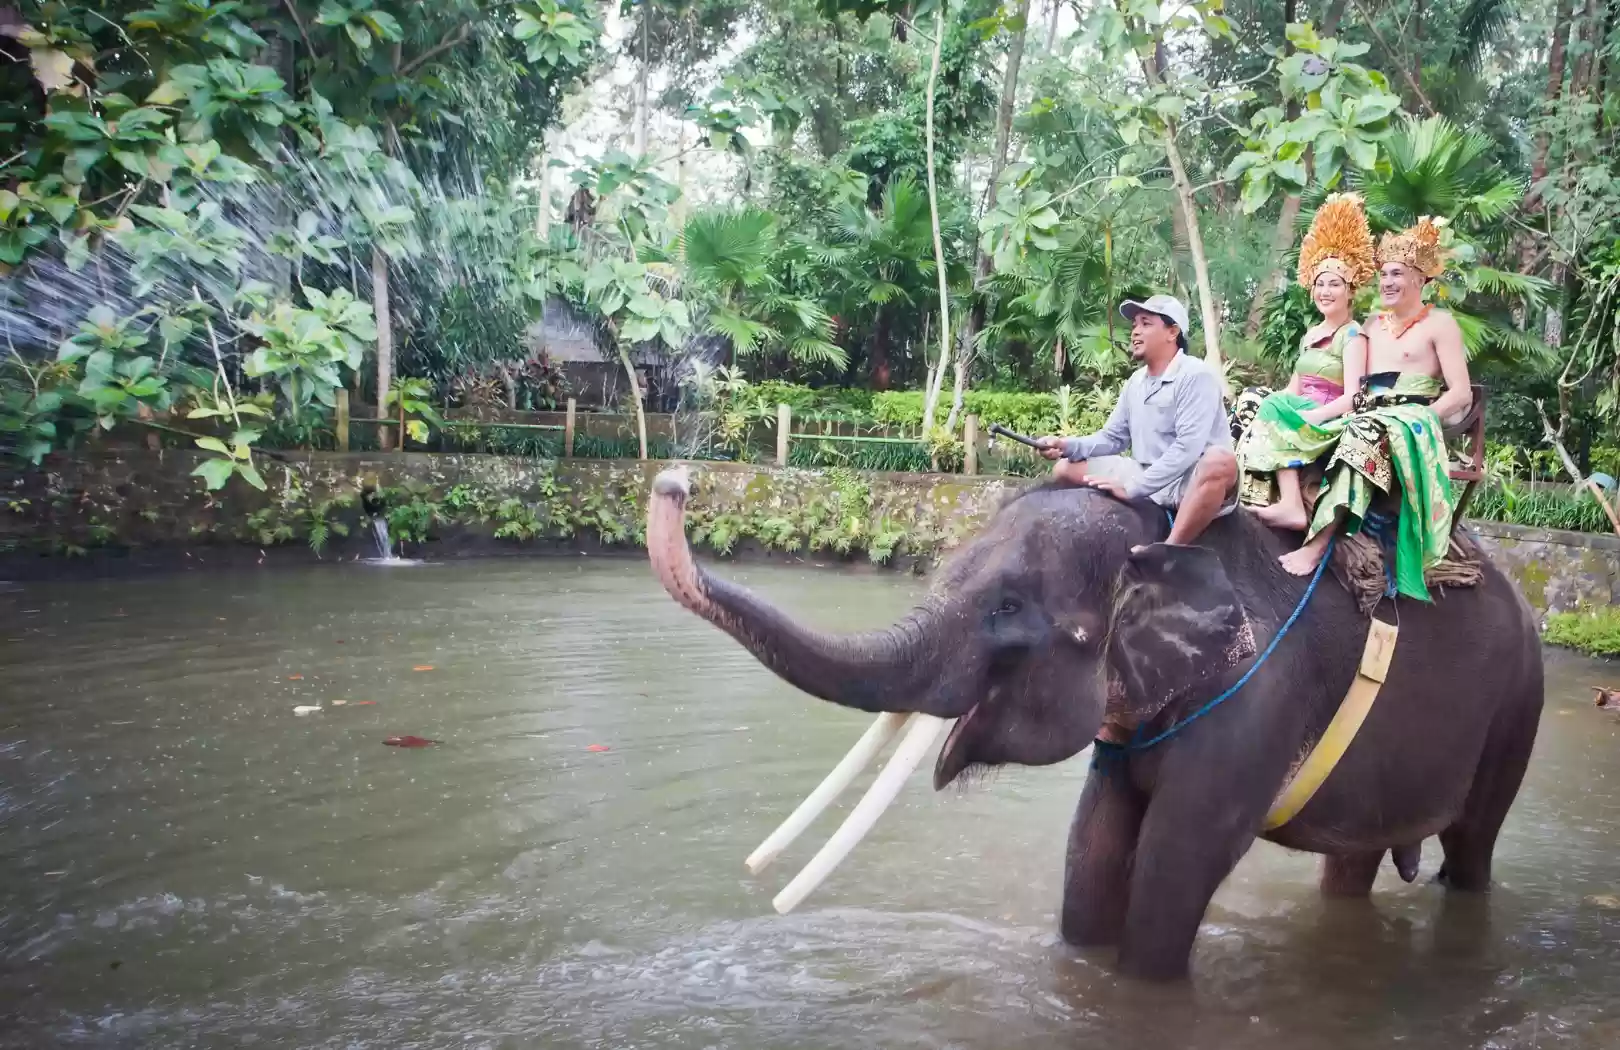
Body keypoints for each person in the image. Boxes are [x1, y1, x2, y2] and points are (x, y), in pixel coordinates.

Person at [1277, 217, 1471, 599]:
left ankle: (1317, 546)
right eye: (1383, 274)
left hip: (1412, 419)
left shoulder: (1440, 323)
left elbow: (1461, 393)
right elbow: (1345, 377)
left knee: (1362, 432)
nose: (1387, 282)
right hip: (1367, 412)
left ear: (1420, 278)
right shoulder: (1370, 324)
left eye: (1397, 273)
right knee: (1285, 419)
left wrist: (1419, 421)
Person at [1034, 294, 1238, 547]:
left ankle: (1169, 548)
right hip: (1144, 471)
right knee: (1065, 468)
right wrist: (1066, 445)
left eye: (1146, 323)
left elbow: (1188, 449)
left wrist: (1133, 488)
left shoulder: (1196, 375)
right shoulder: (1136, 382)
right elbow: (1113, 438)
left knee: (1220, 462)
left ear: (1172, 332)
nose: (1135, 332)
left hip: (1187, 480)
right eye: (1134, 325)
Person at [1233, 193, 1376, 529]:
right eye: (1320, 284)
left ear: (1350, 290)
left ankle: (1292, 506)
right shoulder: (1312, 334)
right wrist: (1268, 402)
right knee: (1251, 400)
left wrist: (1312, 415)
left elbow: (1353, 397)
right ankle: (1245, 491)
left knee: (1271, 410)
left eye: (1334, 284)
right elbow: (1293, 388)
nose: (1325, 291)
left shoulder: (1353, 335)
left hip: (1329, 416)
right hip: (1300, 409)